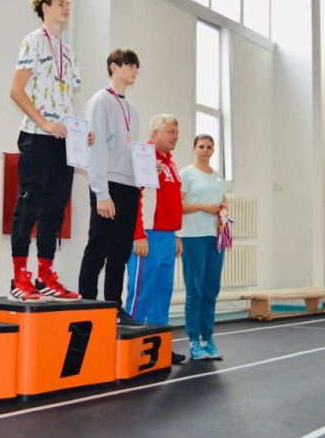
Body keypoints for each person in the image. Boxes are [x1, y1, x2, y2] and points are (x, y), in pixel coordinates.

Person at [8, 0, 89, 302]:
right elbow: (16, 91)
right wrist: (43, 122)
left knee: (55, 208)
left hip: (63, 141)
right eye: (60, 3)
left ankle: (45, 274)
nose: (66, 8)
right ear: (44, 7)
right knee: (28, 204)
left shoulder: (68, 52)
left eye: (68, 3)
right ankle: (19, 277)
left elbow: (66, 99)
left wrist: (79, 131)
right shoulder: (33, 42)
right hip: (36, 135)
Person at [79, 48, 143, 328]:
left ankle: (114, 307)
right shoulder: (100, 101)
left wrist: (144, 173)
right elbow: (95, 150)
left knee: (120, 252)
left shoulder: (133, 110)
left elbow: (132, 150)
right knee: (98, 248)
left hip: (129, 185)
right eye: (129, 65)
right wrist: (101, 192)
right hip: (108, 184)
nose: (134, 70)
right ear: (113, 66)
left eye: (136, 67)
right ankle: (88, 307)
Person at [126, 114, 186, 363]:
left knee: (162, 295)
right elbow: (133, 199)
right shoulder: (143, 156)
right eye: (171, 132)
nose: (175, 137)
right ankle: (131, 352)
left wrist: (176, 234)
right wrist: (138, 234)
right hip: (147, 236)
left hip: (167, 236)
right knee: (141, 294)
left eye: (177, 133)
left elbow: (173, 202)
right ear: (155, 133)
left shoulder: (170, 162)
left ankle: (159, 350)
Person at [180, 134, 227, 361]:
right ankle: (193, 341)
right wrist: (201, 206)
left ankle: (208, 338)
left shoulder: (218, 176)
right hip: (193, 237)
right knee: (195, 291)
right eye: (201, 146)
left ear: (213, 150)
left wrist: (223, 210)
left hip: (215, 238)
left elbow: (223, 203)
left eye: (209, 147)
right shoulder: (186, 174)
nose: (205, 150)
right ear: (194, 148)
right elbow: (177, 206)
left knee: (211, 290)